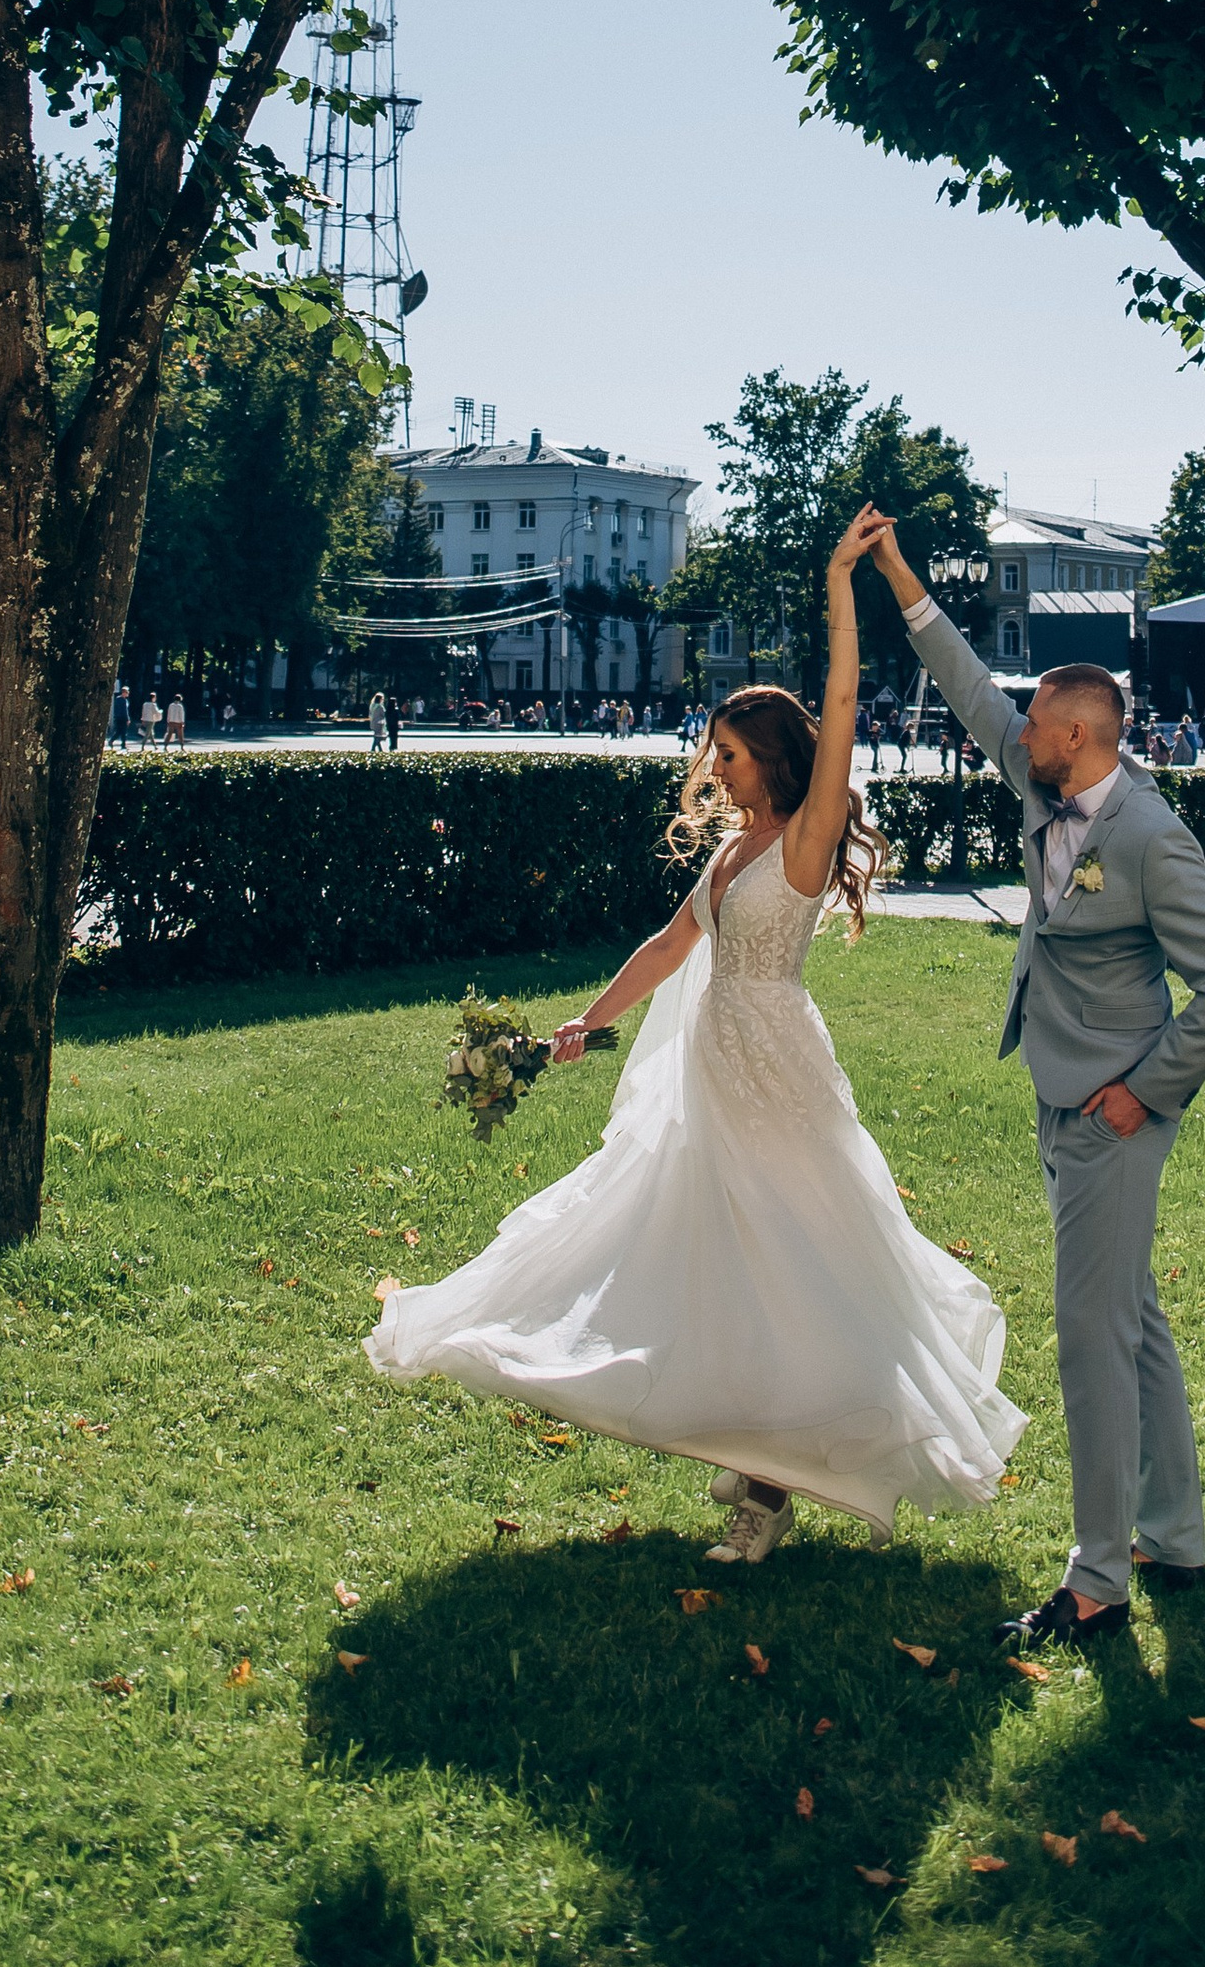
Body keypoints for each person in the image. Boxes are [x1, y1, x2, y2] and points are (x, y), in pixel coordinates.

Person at [368, 507, 1022, 1560]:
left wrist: (840, 592)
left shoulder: (805, 840)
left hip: (779, 1067)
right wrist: (589, 1019)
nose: (710, 764)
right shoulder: (729, 854)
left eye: (725, 751)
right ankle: (757, 1442)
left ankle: (768, 1487)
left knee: (795, 1261)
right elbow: (671, 948)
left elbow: (844, 704)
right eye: (711, 750)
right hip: (712, 1070)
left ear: (767, 755)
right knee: (719, 1255)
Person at [866, 515, 1205, 1653]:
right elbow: (964, 685)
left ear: (1079, 735)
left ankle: (1097, 1580)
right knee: (1131, 1322)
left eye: (1034, 722)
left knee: (1090, 1339)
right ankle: (1171, 1536)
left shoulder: (1147, 835)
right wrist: (899, 578)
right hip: (1062, 1089)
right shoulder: (1048, 775)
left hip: (1112, 1109)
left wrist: (1147, 1094)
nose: (1014, 732)